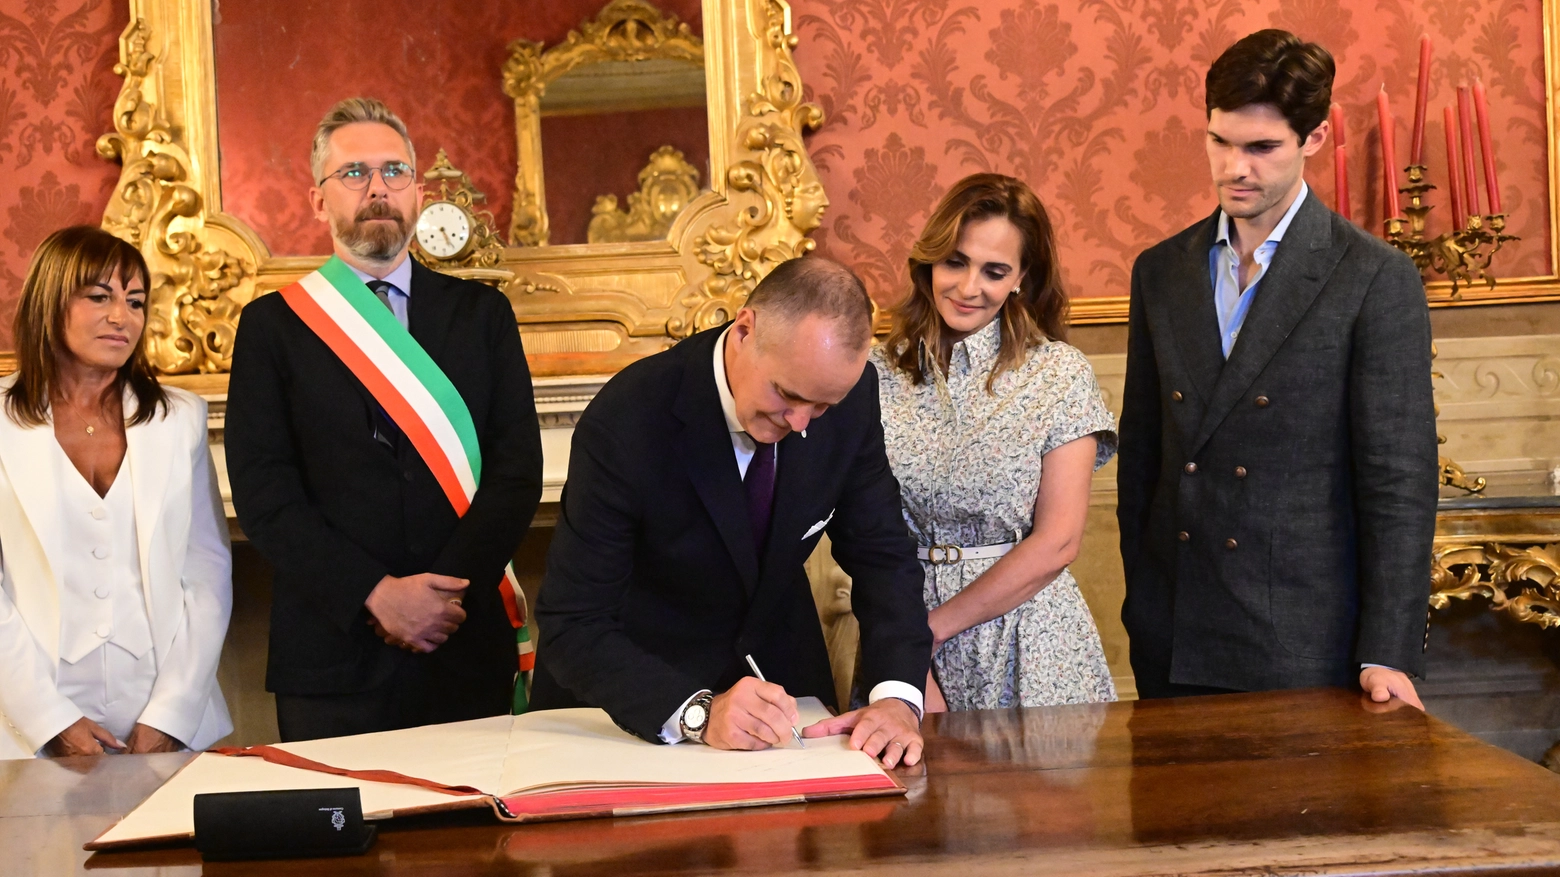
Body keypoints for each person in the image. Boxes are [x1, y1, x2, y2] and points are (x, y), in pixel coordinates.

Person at [1116, 30, 1438, 706]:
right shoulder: (1161, 271)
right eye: (1220, 141)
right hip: (1174, 633)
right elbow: (1142, 458)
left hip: (1305, 640)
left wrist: (1387, 650)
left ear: (1314, 139)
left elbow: (1398, 482)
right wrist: (1142, 601)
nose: (1236, 167)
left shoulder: (1375, 277)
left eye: (1261, 148)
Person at [532, 257, 932, 768]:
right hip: (635, 701)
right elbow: (573, 619)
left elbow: (883, 556)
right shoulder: (629, 417)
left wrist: (897, 698)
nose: (801, 422)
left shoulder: (850, 401)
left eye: (821, 406)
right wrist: (696, 712)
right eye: (786, 394)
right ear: (746, 330)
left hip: (783, 696)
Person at [226, 98, 543, 741]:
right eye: (354, 174)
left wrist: (442, 596)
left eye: (394, 172)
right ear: (319, 201)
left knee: (477, 841)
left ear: (418, 192)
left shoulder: (483, 315)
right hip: (333, 654)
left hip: (463, 641)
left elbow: (517, 473)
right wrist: (375, 594)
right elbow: (265, 494)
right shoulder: (272, 328)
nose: (377, 189)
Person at [874, 174, 1118, 712]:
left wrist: (925, 634)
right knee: (915, 795)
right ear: (929, 261)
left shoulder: (1057, 374)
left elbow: (1057, 542)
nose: (968, 287)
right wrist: (901, 650)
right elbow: (861, 533)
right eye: (955, 262)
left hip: (1029, 642)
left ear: (1021, 279)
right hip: (902, 630)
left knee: (1039, 796)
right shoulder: (876, 373)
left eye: (995, 271)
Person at [0, 226, 231, 759]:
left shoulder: (180, 418)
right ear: (49, 302)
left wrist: (172, 714)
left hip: (161, 708)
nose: (121, 317)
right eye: (99, 297)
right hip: (30, 718)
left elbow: (208, 572)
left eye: (135, 302)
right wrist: (49, 721)